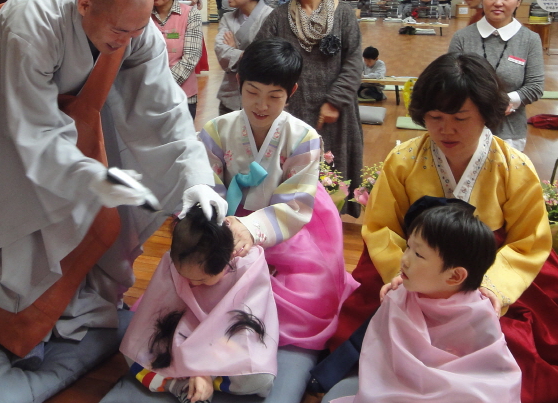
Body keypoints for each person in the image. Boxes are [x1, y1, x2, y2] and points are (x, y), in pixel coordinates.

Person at [0, 0, 226, 403]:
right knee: (14, 212)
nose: (128, 43)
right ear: (84, 4)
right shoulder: (31, 23)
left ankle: (78, 304)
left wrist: (195, 180)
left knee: (107, 220)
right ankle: (14, 319)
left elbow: (165, 110)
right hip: (8, 108)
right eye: (120, 33)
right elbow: (32, 133)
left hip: (81, 108)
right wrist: (92, 179)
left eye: (136, 32)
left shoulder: (131, 30)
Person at [328, 52, 556, 403]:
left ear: (485, 113)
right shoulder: (404, 160)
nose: (445, 129)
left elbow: (529, 241)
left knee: (516, 350)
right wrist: (404, 276)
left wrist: (492, 288)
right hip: (414, 267)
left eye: (460, 118)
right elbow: (383, 229)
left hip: (484, 273)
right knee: (362, 334)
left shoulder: (513, 167)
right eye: (434, 117)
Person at [200, 38, 358, 403]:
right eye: (253, 92)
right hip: (227, 226)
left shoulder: (303, 138)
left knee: (297, 301)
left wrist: (252, 229)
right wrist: (223, 225)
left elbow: (294, 204)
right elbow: (206, 186)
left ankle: (259, 359)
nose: (261, 105)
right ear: (239, 83)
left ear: (292, 92)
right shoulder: (216, 131)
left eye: (274, 96)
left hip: (286, 232)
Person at [326, 198, 522, 403]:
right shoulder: (399, 296)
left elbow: (493, 375)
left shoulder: (479, 313)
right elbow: (380, 359)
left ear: (455, 276)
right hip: (399, 386)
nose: (405, 259)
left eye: (418, 254)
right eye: (408, 247)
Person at [101, 204, 278, 403]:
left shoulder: (249, 265)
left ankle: (202, 382)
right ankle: (182, 386)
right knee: (134, 354)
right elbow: (164, 317)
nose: (193, 284)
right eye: (185, 276)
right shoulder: (172, 262)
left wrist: (203, 369)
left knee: (258, 379)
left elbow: (241, 326)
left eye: (202, 280)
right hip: (181, 336)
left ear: (228, 258)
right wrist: (194, 365)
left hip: (225, 341)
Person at [256, 0, 364, 217]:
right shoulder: (278, 17)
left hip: (334, 112)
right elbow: (259, 58)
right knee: (291, 181)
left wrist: (336, 101)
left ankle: (327, 225)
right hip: (293, 109)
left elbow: (353, 62)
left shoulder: (343, 15)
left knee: (332, 177)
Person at [449, 0, 544, 152]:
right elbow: (451, 81)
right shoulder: (462, 37)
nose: (498, 2)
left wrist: (507, 100)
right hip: (466, 129)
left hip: (510, 133)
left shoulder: (530, 40)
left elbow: (535, 87)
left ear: (518, 0)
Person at [144, 0, 203, 120]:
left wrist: (161, 86)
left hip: (182, 96)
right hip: (147, 98)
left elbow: (191, 58)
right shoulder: (142, 15)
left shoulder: (190, 14)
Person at [215, 0, 272, 115]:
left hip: (261, 99)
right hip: (230, 96)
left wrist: (235, 50)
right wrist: (247, 54)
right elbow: (220, 51)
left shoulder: (270, 17)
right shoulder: (227, 18)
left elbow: (267, 59)